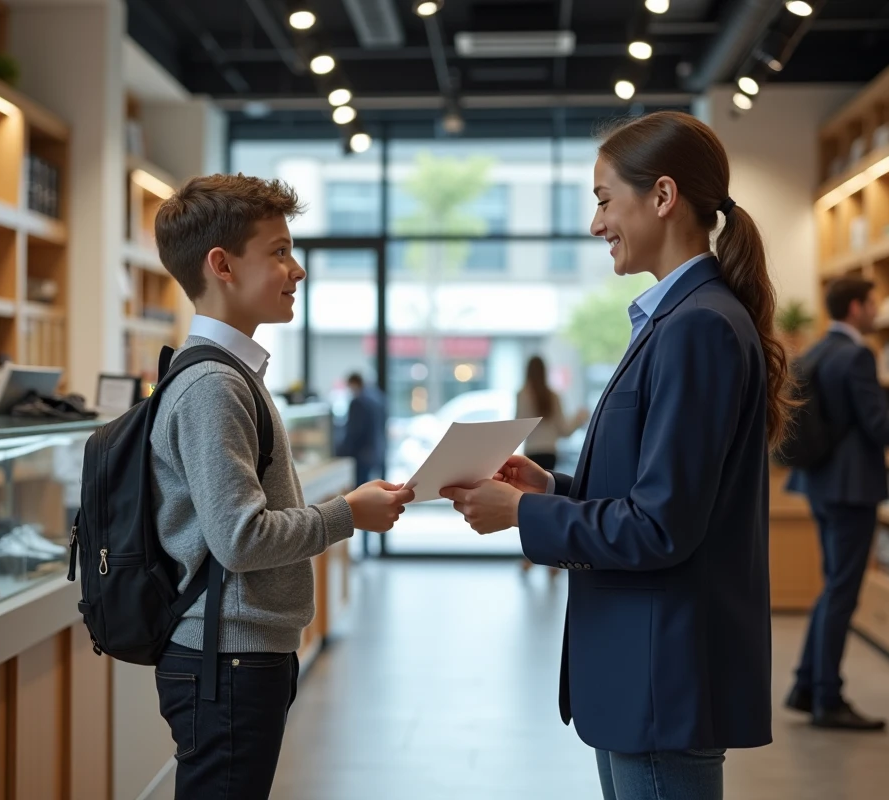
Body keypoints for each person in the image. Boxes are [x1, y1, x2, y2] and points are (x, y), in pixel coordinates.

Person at [441, 110, 788, 800]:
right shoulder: (680, 319)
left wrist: (524, 514)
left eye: (604, 200)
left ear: (662, 197)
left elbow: (660, 526)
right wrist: (554, 488)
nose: (597, 223)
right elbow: (659, 492)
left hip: (660, 668)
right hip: (646, 669)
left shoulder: (697, 328)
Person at [149, 174, 414, 799]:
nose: (296, 270)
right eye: (278, 252)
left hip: (237, 650)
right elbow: (240, 538)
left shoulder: (229, 375)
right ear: (222, 265)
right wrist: (347, 514)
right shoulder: (215, 385)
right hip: (228, 655)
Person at [784, 277, 889, 731]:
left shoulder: (818, 350)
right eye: (873, 303)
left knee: (832, 587)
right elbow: (876, 424)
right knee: (842, 591)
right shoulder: (857, 354)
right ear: (856, 307)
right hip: (851, 489)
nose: (878, 310)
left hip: (818, 484)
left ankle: (807, 685)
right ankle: (827, 698)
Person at [516, 355, 587, 575]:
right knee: (549, 508)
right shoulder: (553, 396)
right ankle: (552, 561)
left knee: (531, 510)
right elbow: (564, 431)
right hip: (550, 455)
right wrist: (580, 418)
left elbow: (518, 428)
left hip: (531, 458)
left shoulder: (522, 395)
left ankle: (530, 558)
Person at [338, 372, 387, 556]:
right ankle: (368, 546)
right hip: (376, 455)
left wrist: (340, 452)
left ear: (354, 383)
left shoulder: (358, 401)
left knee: (360, 500)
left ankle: (364, 548)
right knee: (376, 497)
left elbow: (353, 432)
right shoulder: (378, 397)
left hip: (361, 457)